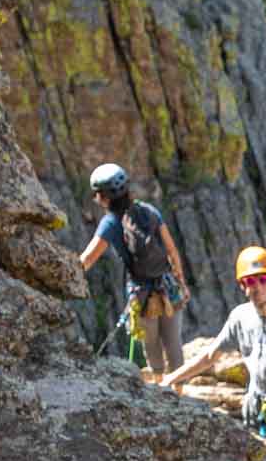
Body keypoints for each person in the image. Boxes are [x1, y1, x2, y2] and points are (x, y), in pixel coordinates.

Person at [160, 244, 266, 443]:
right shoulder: (240, 317)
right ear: (242, 286)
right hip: (255, 404)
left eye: (263, 279)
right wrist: (172, 379)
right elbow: (210, 356)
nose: (257, 287)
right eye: (250, 281)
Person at [78, 162, 189, 378]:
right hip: (168, 286)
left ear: (102, 197)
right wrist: (181, 281)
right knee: (174, 342)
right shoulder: (149, 211)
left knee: (151, 345)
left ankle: (159, 383)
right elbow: (172, 251)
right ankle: (179, 389)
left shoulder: (110, 224)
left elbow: (87, 259)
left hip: (141, 293)